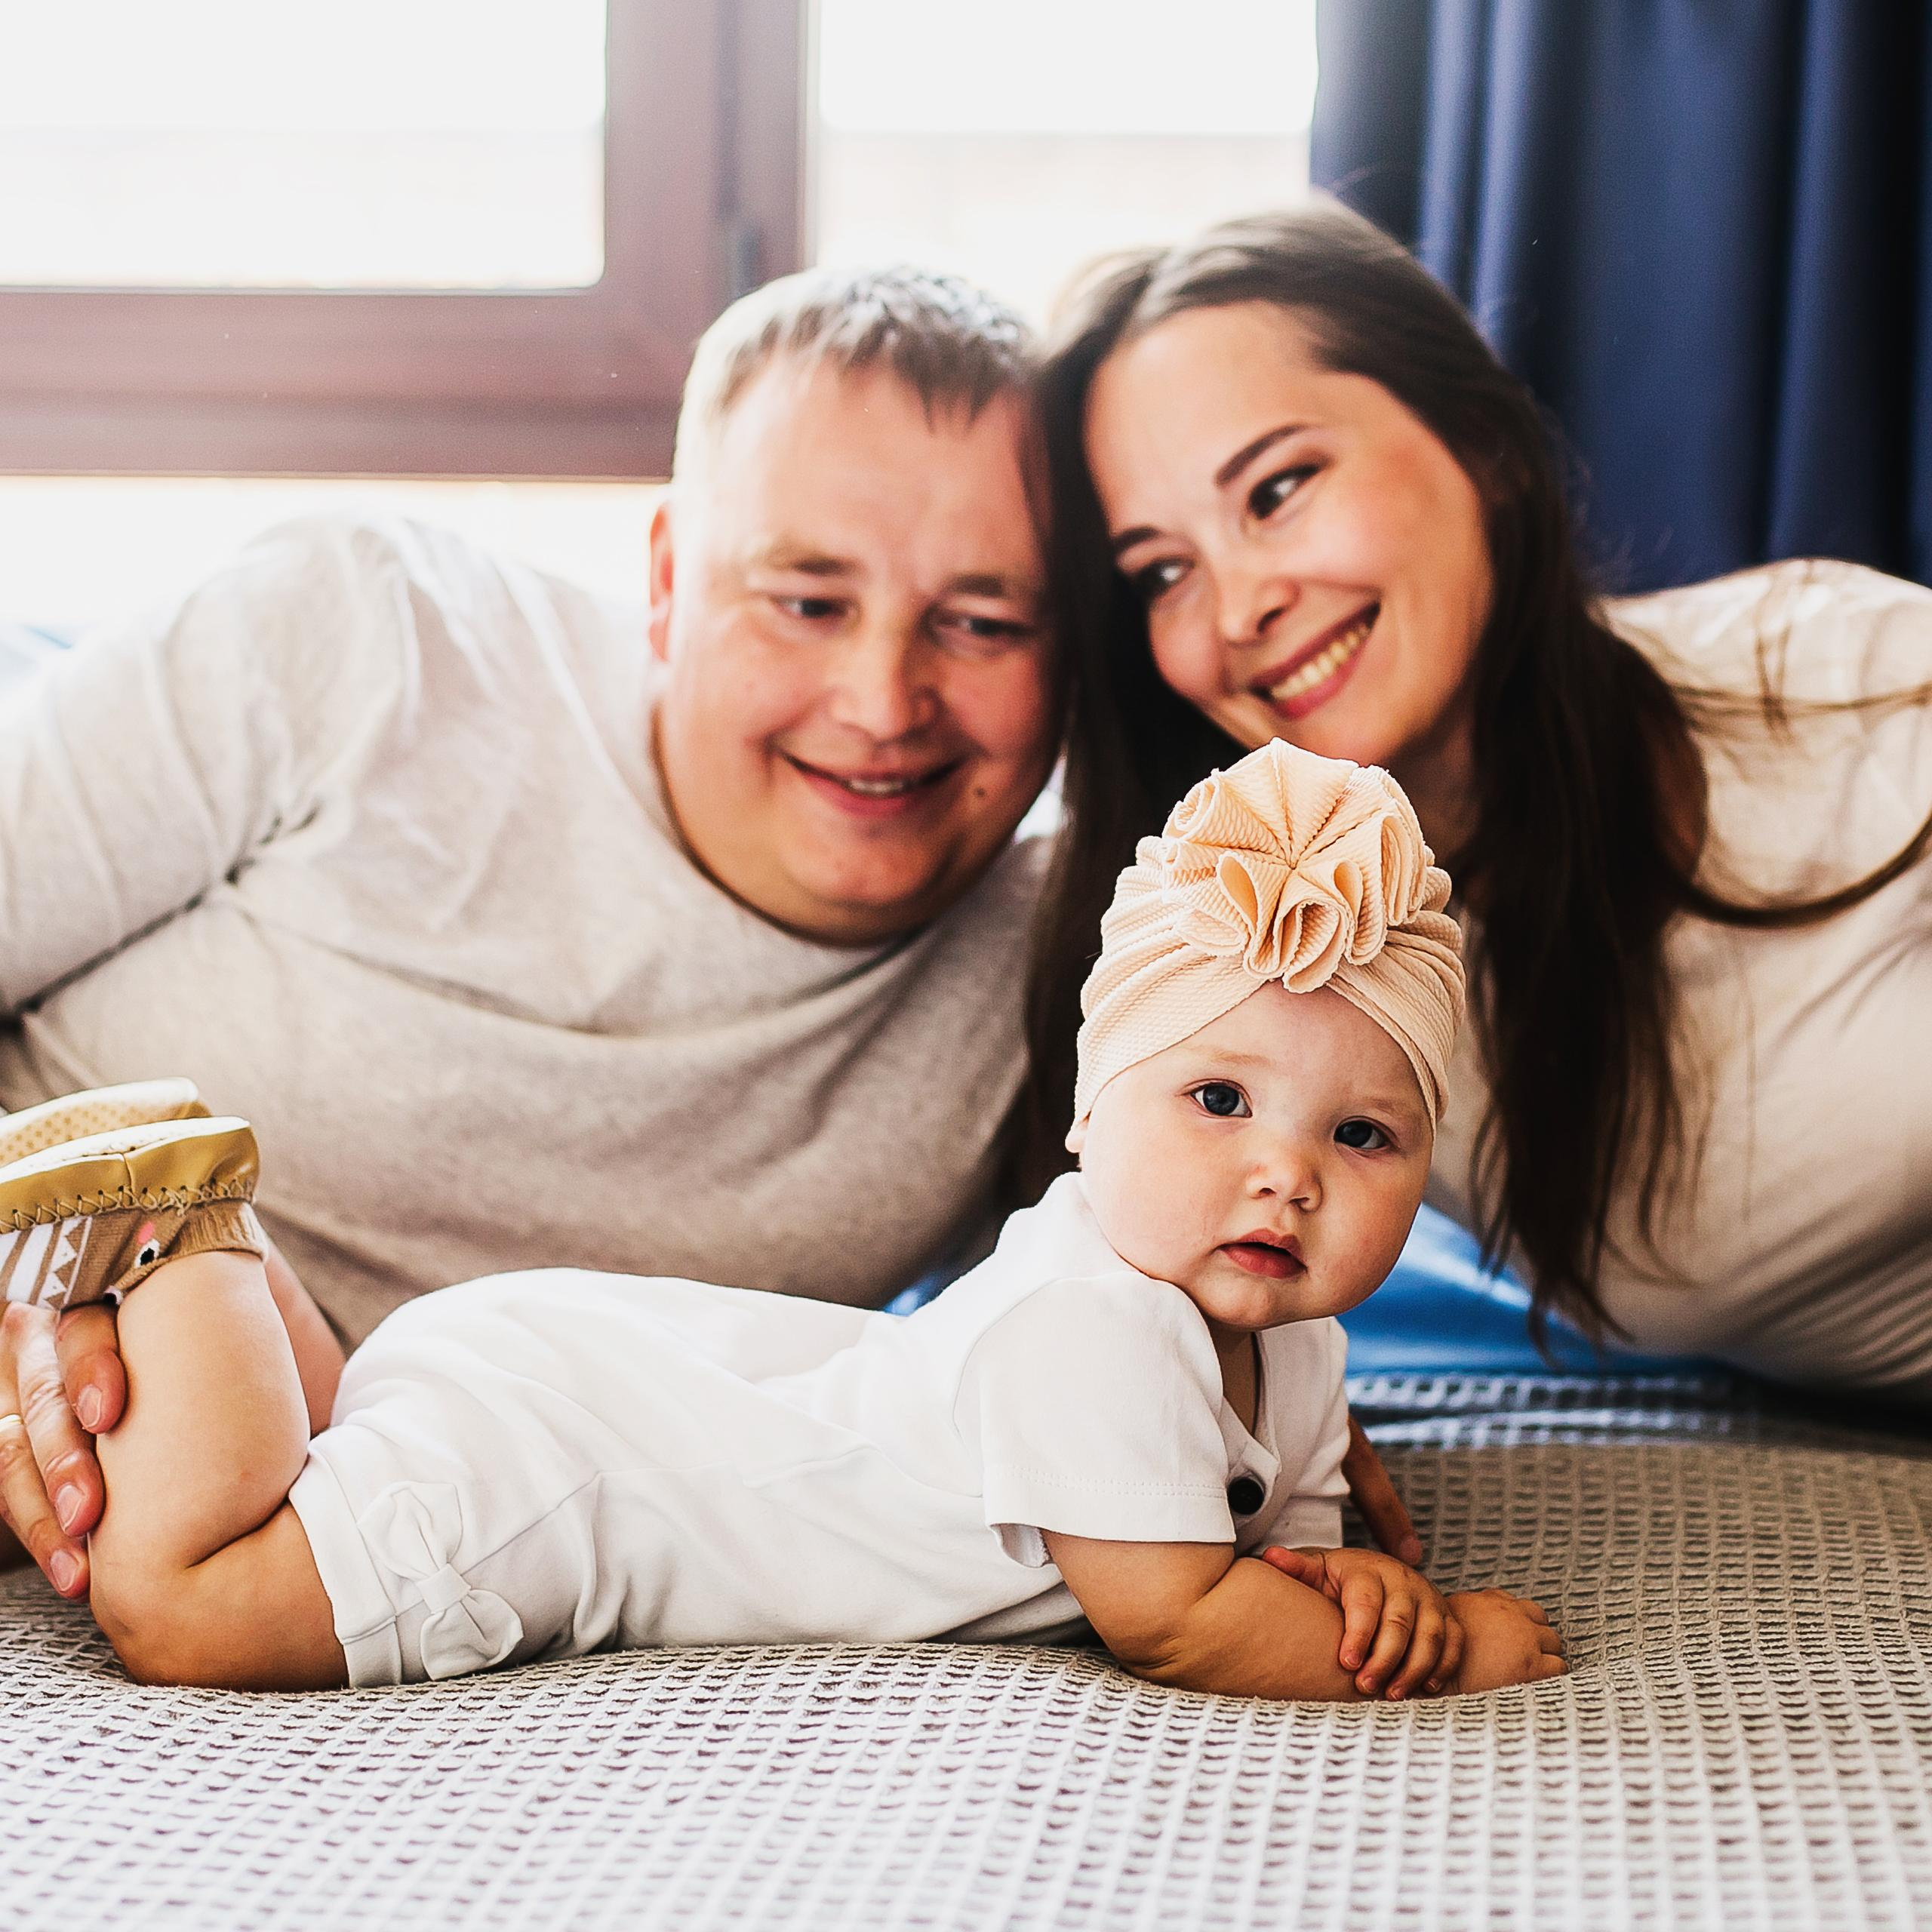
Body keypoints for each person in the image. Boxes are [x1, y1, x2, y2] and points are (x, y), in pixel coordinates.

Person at [0, 740, 1563, 1700]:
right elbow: (1179, 1616)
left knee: (312, 1459)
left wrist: (1348, 1580)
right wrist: (1448, 1644)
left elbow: (1275, 1567)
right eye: (1217, 1100)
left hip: (570, 1366)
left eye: (1360, 1133)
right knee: (190, 1601)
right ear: (1087, 1111)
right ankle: (182, 1220)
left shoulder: (1294, 1354)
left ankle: (227, 1256)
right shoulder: (1095, 1323)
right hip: (560, 1471)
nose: (1285, 1170)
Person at [0, 266, 1060, 1598]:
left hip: (293, 1517)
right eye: (808, 600)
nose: (884, 699)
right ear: (671, 580)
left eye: (983, 622)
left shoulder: (1076, 960)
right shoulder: (366, 632)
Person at [1023, 204, 1932, 1397]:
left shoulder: (1853, 689)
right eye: (1162, 572)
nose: (1239, 605)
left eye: (1281, 487)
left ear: (1484, 446)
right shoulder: (1250, 947)